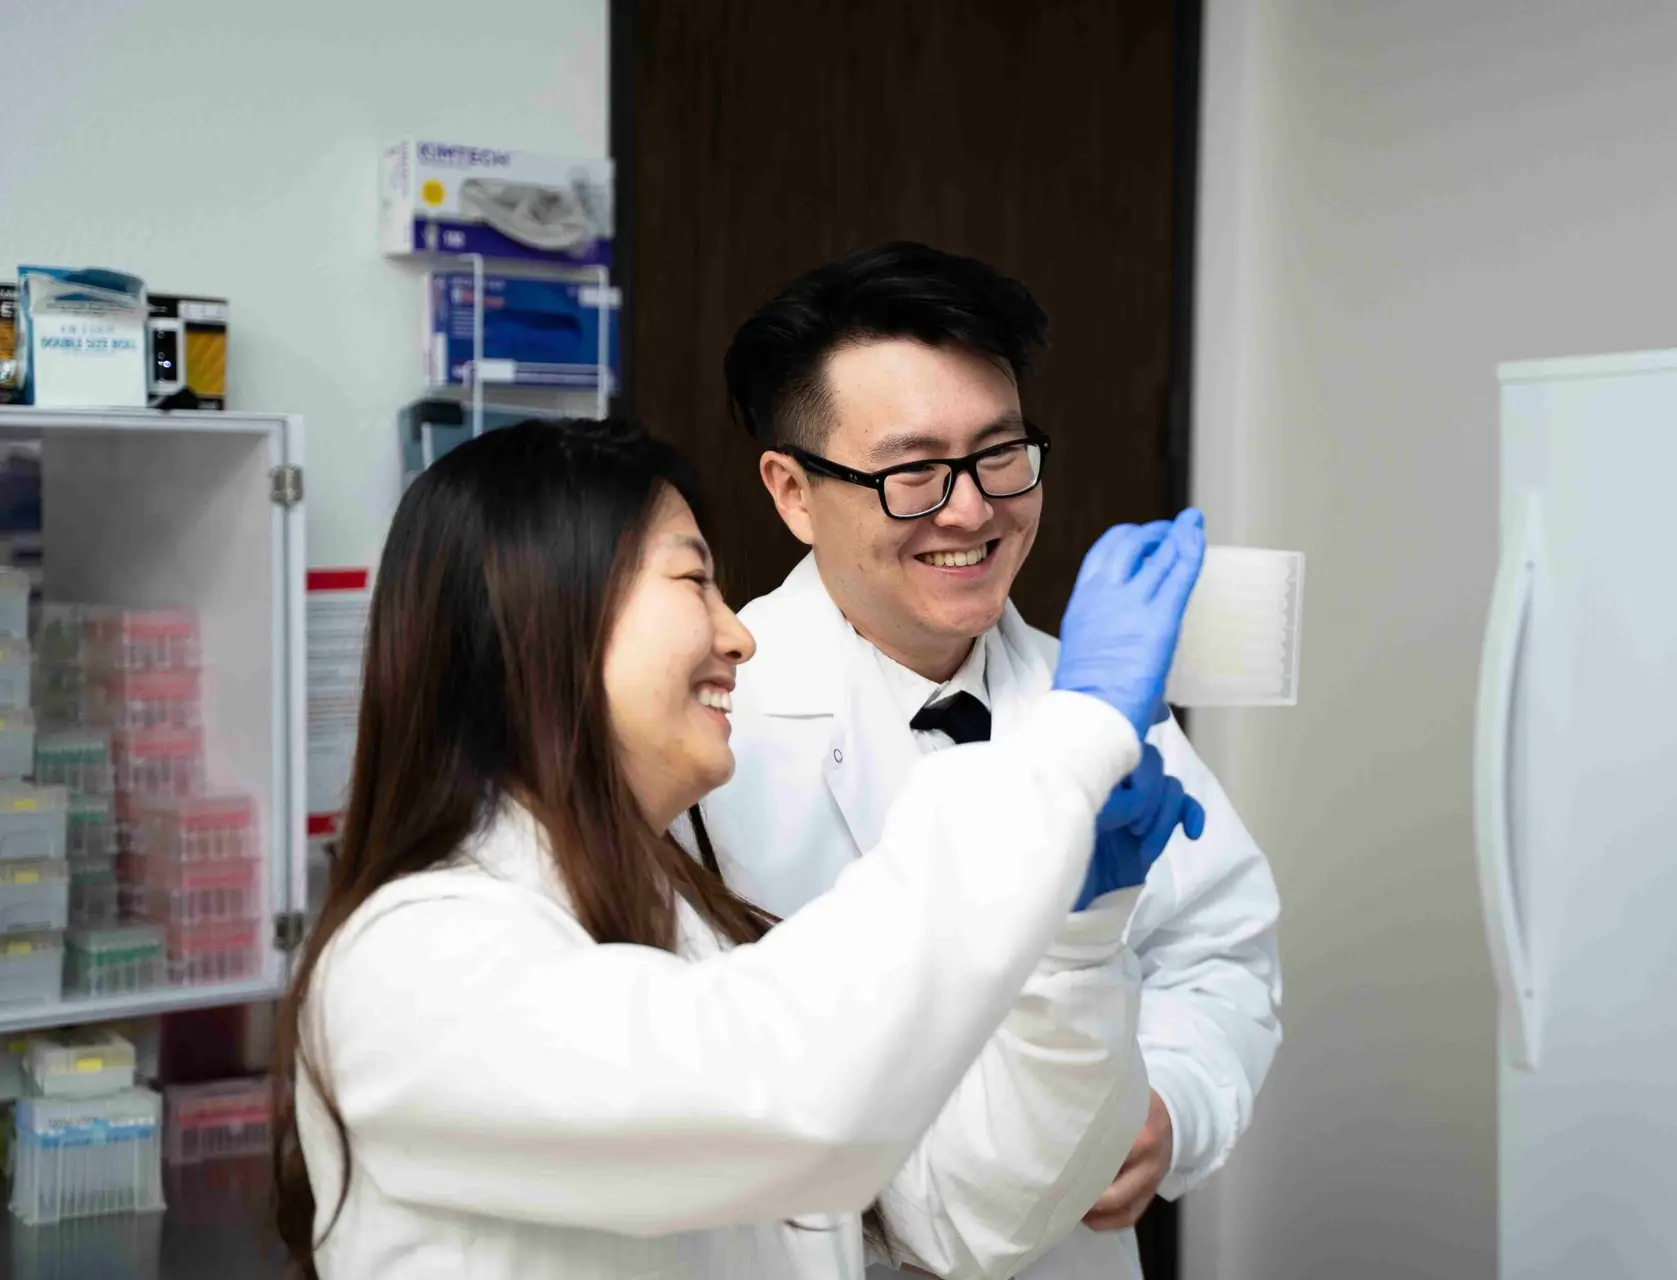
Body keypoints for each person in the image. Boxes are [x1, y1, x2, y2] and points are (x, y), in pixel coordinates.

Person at [269, 417, 1209, 1280]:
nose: (739, 635)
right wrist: (1068, 738)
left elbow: (971, 1217)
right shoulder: (411, 964)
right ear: (543, 617)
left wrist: (1074, 944)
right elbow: (783, 1099)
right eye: (694, 582)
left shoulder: (690, 928)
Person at [698, 243, 1283, 1279]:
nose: (970, 509)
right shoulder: (709, 725)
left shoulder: (1092, 697)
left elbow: (1217, 948)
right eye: (913, 472)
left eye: (1000, 454)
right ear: (793, 493)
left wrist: (1173, 1100)